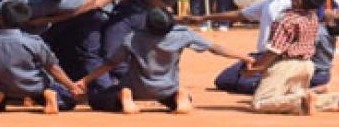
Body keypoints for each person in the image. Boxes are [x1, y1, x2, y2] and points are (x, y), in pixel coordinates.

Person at [78, 7, 250, 114]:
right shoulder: (182, 34)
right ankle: (180, 96)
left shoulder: (132, 38)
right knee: (177, 96)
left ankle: (125, 95)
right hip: (167, 88)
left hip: (138, 87)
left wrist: (85, 81)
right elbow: (215, 48)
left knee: (98, 99)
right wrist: (244, 57)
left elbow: (111, 64)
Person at [244, 0, 339, 115]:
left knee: (259, 103)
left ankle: (301, 100)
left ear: (299, 1)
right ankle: (334, 100)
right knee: (287, 96)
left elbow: (275, 49)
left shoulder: (288, 20)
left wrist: (258, 67)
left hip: (286, 65)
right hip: (306, 66)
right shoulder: (312, 17)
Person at [200, 0, 307, 92]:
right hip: (260, 55)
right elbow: (240, 15)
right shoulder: (269, 4)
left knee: (247, 85)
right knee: (224, 81)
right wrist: (204, 17)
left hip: (278, 56)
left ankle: (285, 85)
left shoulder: (296, 6)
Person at [0, 0, 83, 114]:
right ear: (25, 20)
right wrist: (72, 86)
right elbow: (53, 68)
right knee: (69, 101)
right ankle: (49, 94)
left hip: (1, 86)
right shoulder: (34, 42)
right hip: (35, 88)